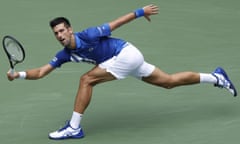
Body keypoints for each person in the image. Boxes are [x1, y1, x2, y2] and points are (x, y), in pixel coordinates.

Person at [7, 4, 237, 140]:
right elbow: (42, 72)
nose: (59, 36)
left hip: (125, 54)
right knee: (168, 82)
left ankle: (74, 128)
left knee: (86, 79)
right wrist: (19, 75)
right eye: (55, 33)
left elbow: (114, 24)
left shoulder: (88, 34)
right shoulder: (64, 55)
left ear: (70, 29)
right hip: (126, 60)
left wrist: (139, 11)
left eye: (61, 31)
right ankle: (215, 77)